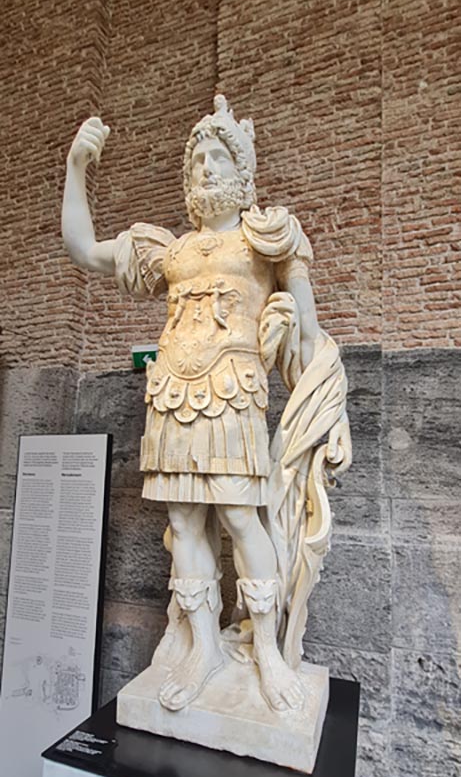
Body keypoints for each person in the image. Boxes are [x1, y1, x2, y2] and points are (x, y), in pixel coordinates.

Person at [62, 96, 352, 715]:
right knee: (186, 521)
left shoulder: (267, 237)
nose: (206, 168)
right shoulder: (170, 250)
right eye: (197, 161)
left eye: (219, 157)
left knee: (243, 518)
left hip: (234, 393)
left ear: (242, 173)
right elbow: (84, 249)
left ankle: (267, 650)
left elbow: (308, 337)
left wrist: (322, 397)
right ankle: (202, 650)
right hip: (172, 394)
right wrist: (76, 167)